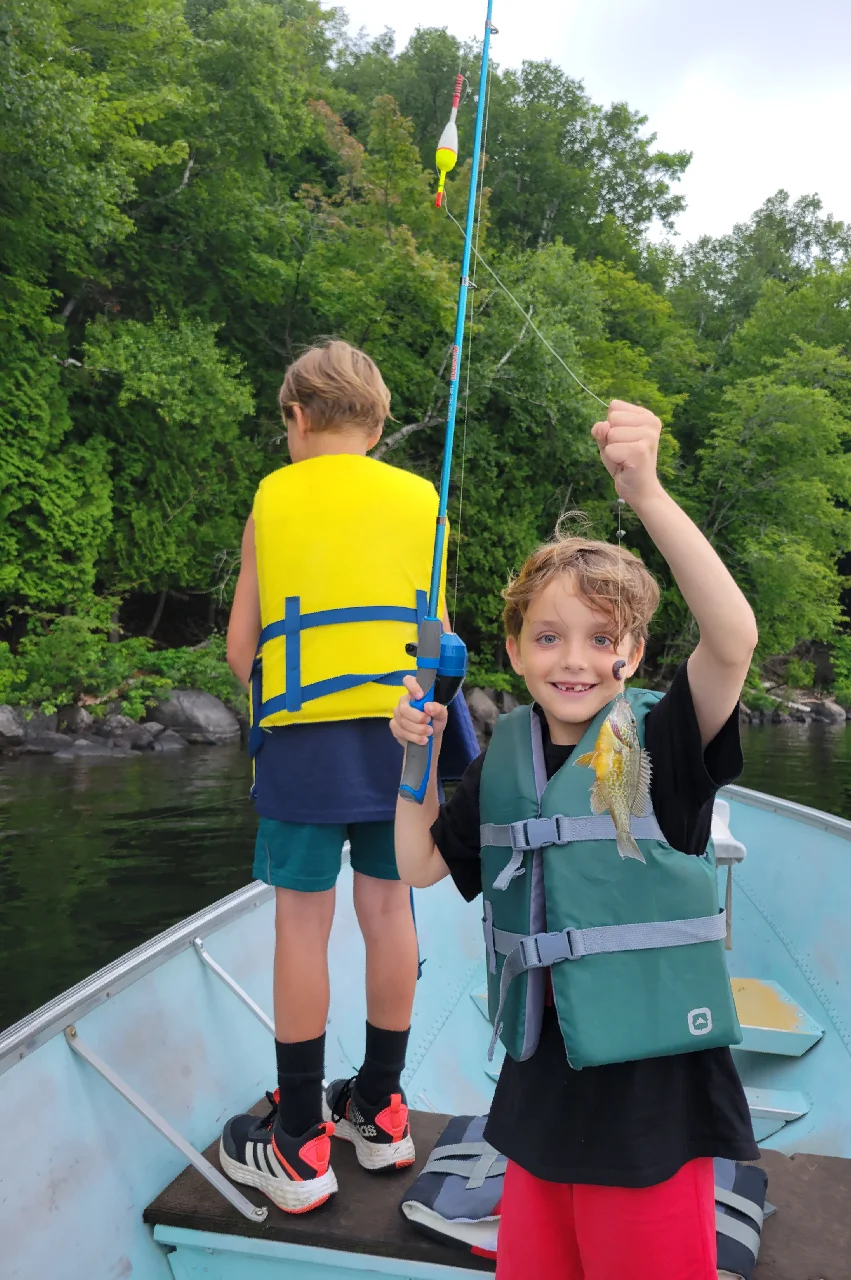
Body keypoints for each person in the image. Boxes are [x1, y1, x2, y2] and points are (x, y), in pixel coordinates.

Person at [390, 400, 761, 1280]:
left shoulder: (663, 743)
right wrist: (411, 761)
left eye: (602, 639)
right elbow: (416, 863)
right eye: (549, 637)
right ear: (514, 650)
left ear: (632, 651)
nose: (574, 660)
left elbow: (734, 638)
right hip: (538, 1102)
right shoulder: (506, 760)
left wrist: (647, 491)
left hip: (651, 1108)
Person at [218, 340, 454, 1215]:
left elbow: (243, 648)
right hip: (402, 738)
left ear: (297, 416)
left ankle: (297, 1139)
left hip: (304, 744)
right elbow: (432, 631)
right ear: (379, 424)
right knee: (389, 911)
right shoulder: (421, 500)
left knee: (301, 926)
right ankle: (383, 1111)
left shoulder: (271, 500)